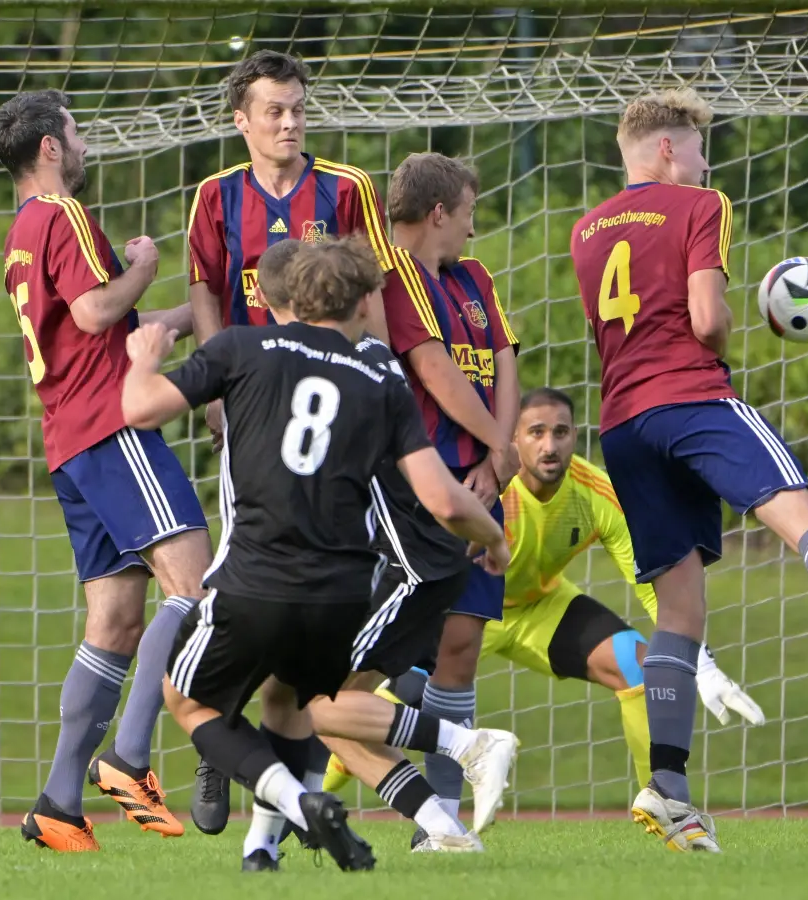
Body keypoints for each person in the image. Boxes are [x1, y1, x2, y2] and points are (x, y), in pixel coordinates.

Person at [118, 237, 513, 872]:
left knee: (187, 700)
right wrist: (494, 539)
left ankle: (302, 805)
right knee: (290, 703)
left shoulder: (242, 347)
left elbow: (138, 408)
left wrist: (144, 356)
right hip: (342, 596)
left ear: (291, 295)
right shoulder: (382, 376)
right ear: (361, 303)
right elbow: (442, 498)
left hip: (253, 578)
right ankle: (262, 850)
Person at [568, 88, 808, 852]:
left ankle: (668, 787)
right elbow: (706, 318)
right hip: (692, 396)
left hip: (624, 423)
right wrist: (735, 334)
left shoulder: (584, 228)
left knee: (678, 613)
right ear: (670, 149)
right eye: (700, 146)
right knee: (805, 517)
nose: (707, 161)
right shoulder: (700, 203)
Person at [325, 386, 766, 801]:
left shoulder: (595, 493)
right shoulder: (488, 487)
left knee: (638, 664)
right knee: (371, 706)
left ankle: (662, 806)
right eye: (536, 433)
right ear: (513, 438)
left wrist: (699, 664)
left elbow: (649, 581)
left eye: (560, 432)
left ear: (576, 436)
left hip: (540, 606)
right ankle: (316, 799)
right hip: (464, 614)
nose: (549, 445)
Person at [0, 89, 213, 851]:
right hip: (113, 429)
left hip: (70, 442)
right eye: (76, 132)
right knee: (194, 580)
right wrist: (146, 265)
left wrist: (192, 320)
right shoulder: (65, 215)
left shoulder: (21, 232)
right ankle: (130, 755)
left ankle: (57, 800)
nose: (83, 143)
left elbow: (101, 328)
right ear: (50, 146)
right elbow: (94, 311)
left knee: (114, 622)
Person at [183, 47, 396, 833]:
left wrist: (380, 379)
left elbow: (374, 288)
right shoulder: (216, 196)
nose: (289, 121)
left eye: (298, 107)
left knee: (320, 577)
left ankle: (262, 779)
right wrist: (211, 388)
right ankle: (219, 738)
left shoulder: (346, 188)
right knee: (253, 560)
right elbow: (204, 287)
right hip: (255, 401)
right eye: (273, 109)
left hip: (337, 406)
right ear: (242, 119)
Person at [230, 239, 494, 865]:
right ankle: (427, 824)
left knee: (317, 702)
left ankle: (468, 746)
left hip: (399, 564)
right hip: (394, 560)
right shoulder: (369, 358)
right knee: (313, 705)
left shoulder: (325, 365)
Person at [378, 151, 520, 832]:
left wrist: (498, 459)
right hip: (416, 486)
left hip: (479, 484)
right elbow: (434, 370)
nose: (472, 227)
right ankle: (287, 805)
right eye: (467, 213)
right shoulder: (394, 274)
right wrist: (498, 443)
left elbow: (503, 359)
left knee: (460, 646)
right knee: (384, 653)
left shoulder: (475, 277)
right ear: (439, 212)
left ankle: (445, 823)